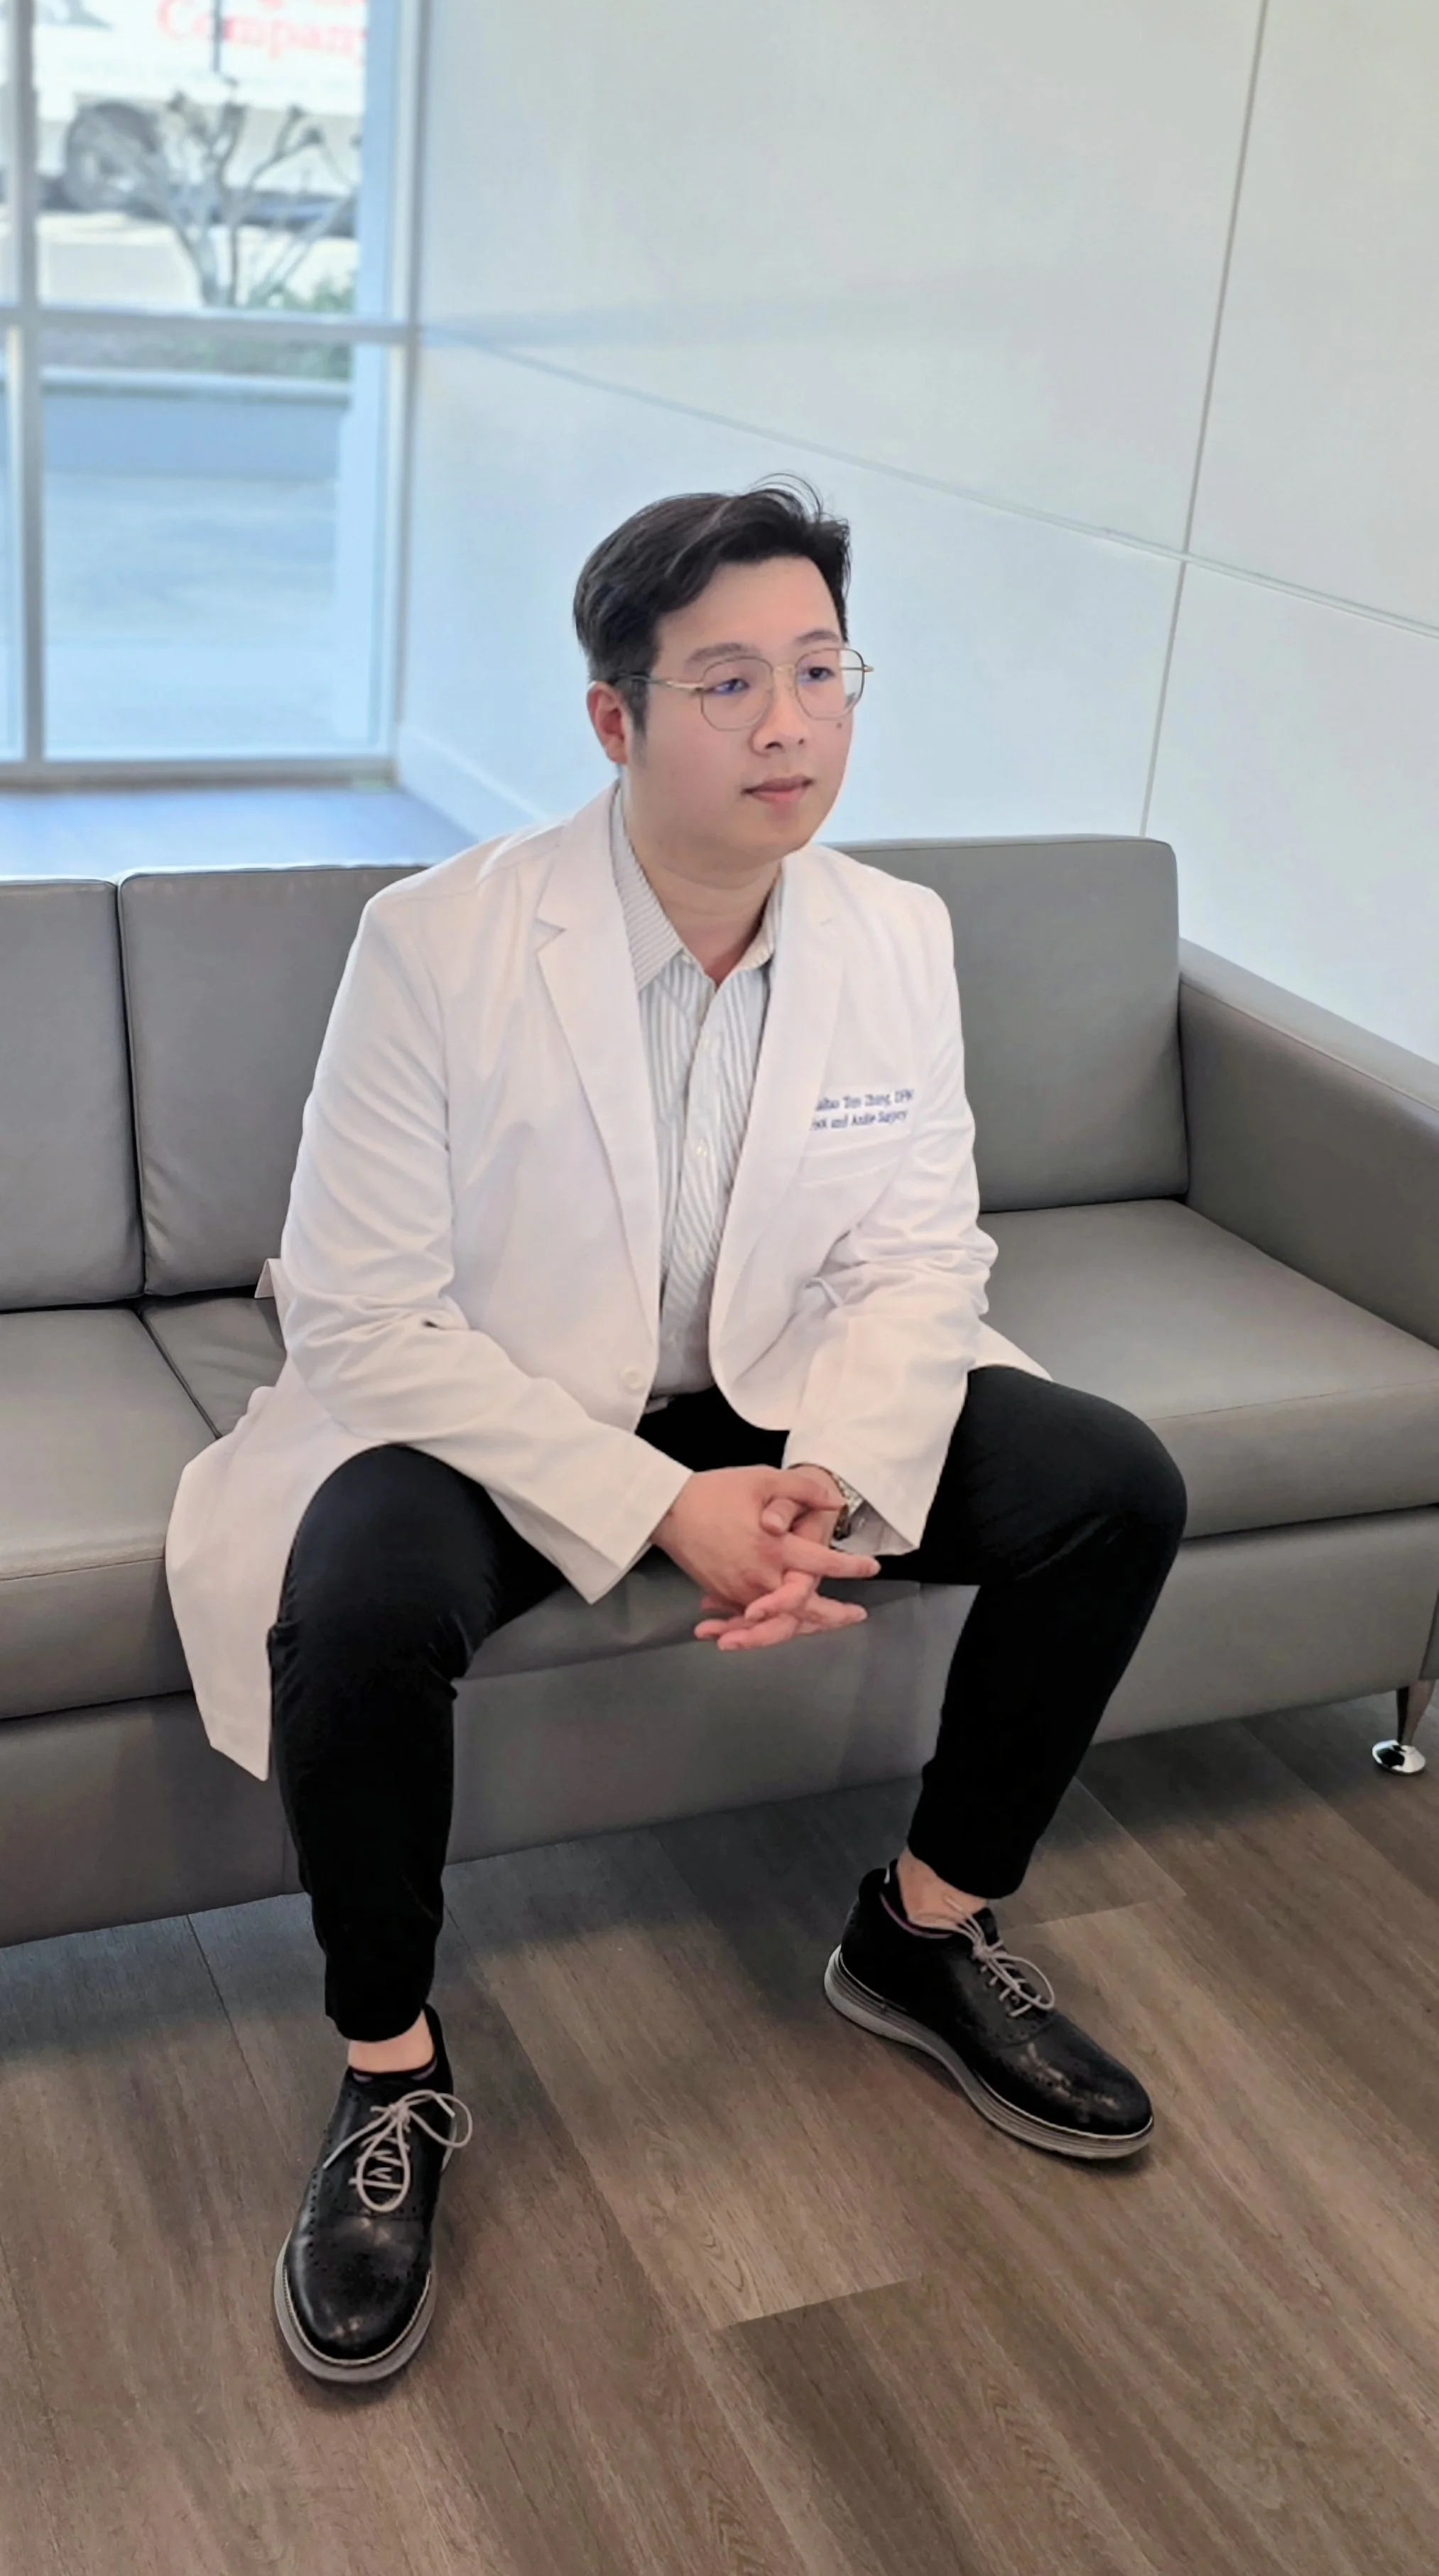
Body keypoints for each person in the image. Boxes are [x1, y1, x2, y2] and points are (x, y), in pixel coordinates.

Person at [165, 477, 1188, 2388]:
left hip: (785, 1376)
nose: (790, 724)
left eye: (822, 671)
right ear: (616, 720)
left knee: (1110, 1487)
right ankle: (392, 2068)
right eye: (728, 683)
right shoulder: (439, 940)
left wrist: (830, 1492)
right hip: (497, 1392)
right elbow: (367, 1310)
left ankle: (923, 1931)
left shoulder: (897, 934)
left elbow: (920, 1252)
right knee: (363, 1602)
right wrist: (662, 1506)